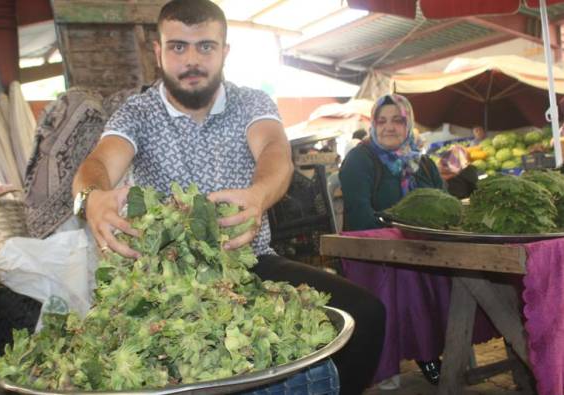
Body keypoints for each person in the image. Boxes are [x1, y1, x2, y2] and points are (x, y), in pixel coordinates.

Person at [72, 1, 385, 394]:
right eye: (177, 47)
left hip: (248, 263)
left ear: (224, 51)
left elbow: (274, 150)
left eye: (205, 46)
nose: (191, 60)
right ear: (158, 52)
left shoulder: (251, 103)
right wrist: (92, 197)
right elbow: (99, 162)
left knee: (367, 313)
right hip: (163, 280)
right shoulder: (137, 113)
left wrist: (258, 195)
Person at [339, 95, 495, 388]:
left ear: (408, 124)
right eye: (381, 121)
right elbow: (360, 216)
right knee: (410, 273)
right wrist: (404, 227)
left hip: (423, 247)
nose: (389, 128)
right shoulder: (360, 159)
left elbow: (445, 203)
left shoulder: (423, 163)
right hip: (370, 251)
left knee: (460, 269)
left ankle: (451, 342)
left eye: (397, 120)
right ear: (372, 124)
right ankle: (423, 354)